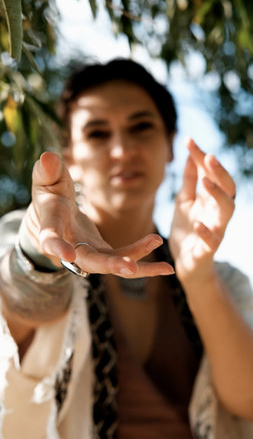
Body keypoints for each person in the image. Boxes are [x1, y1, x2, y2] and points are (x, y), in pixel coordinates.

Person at [0, 58, 253, 439]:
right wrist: (42, 258)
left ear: (170, 144)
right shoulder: (30, 235)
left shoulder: (225, 282)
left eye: (141, 127)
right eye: (98, 133)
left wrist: (198, 278)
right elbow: (13, 307)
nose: (122, 149)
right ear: (71, 156)